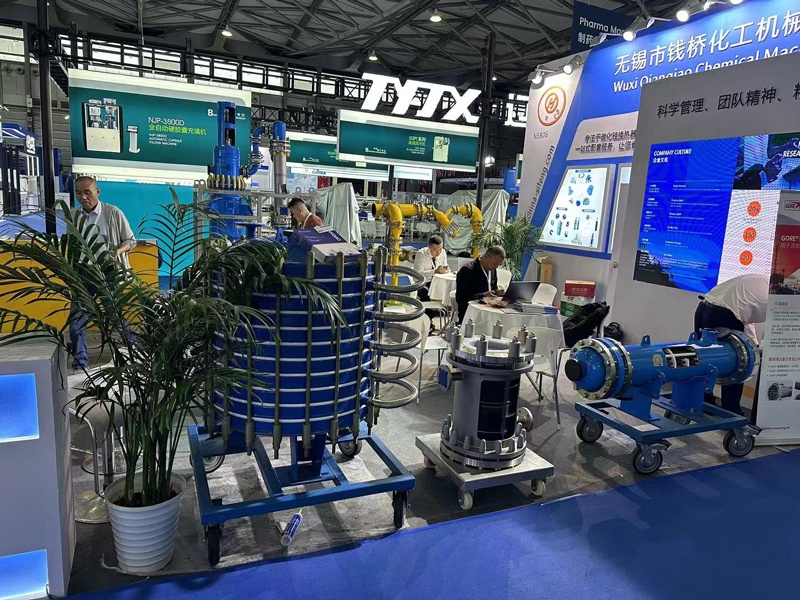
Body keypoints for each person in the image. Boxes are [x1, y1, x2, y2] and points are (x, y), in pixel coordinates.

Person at [70, 176, 136, 372]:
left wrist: (117, 252)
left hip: (108, 272)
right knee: (77, 318)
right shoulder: (74, 215)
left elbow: (130, 241)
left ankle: (133, 352)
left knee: (114, 316)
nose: (83, 197)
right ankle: (80, 363)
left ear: (97, 191)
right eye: (78, 193)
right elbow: (71, 244)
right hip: (83, 272)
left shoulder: (113, 213)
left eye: (87, 192)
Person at [694, 273, 768, 416]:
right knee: (738, 363)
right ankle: (731, 412)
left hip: (704, 307)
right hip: (722, 314)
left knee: (703, 358)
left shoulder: (766, 282)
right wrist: (754, 347)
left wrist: (754, 344)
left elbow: (745, 313)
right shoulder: (780, 296)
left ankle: (703, 402)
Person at [455, 245, 506, 323]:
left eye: (499, 264)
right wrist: (483, 295)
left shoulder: (492, 270)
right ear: (486, 257)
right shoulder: (467, 270)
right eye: (494, 263)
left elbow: (493, 288)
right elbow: (461, 297)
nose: (496, 267)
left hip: (489, 311)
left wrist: (497, 292)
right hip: (471, 313)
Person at [413, 234, 449, 302]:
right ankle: (428, 307)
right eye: (435, 249)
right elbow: (418, 274)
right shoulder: (421, 254)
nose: (438, 252)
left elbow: (445, 265)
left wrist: (446, 269)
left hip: (437, 281)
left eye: (440, 249)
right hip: (423, 281)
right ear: (429, 247)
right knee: (424, 292)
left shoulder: (443, 252)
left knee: (448, 289)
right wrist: (434, 271)